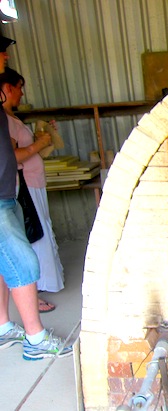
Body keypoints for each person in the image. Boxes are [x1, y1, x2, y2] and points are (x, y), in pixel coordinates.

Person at [0, 35, 72, 360]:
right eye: (2, 53)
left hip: (7, 191)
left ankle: (4, 327)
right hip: (2, 195)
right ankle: (36, 339)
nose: (5, 57)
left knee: (4, 264)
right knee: (25, 262)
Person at [1, 67, 64, 313]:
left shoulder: (12, 118)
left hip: (33, 182)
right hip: (24, 184)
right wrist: (40, 143)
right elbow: (13, 155)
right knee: (34, 234)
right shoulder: (6, 121)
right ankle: (37, 287)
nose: (22, 93)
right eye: (19, 88)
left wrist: (42, 138)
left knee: (40, 230)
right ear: (7, 89)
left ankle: (44, 282)